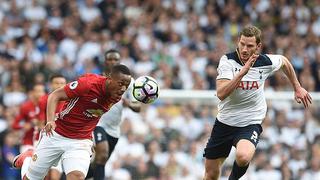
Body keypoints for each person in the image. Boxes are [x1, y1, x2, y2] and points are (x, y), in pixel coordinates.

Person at [203, 25, 312, 180]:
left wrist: (297, 86)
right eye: (242, 44)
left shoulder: (265, 61)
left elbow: (284, 62)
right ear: (238, 42)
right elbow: (221, 94)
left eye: (249, 46)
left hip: (250, 121)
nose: (245, 49)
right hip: (225, 122)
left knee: (243, 156)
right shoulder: (227, 61)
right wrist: (243, 72)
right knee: (210, 174)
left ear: (258, 46)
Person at [12, 64, 132, 180]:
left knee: (77, 177)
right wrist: (50, 121)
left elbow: (93, 115)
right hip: (56, 134)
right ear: (110, 79)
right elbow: (54, 96)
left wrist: (89, 134)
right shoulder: (88, 85)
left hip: (80, 141)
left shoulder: (116, 96)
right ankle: (27, 158)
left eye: (126, 86)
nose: (123, 89)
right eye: (121, 84)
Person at [87, 49, 141, 180]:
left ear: (119, 61)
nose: (112, 62)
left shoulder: (129, 82)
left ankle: (70, 176)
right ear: (105, 61)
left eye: (115, 59)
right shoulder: (98, 79)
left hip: (114, 129)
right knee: (103, 154)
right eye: (110, 59)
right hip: (97, 123)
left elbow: (138, 107)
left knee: (99, 163)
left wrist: (129, 104)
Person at [36, 74, 67, 180]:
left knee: (54, 176)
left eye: (62, 83)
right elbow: (40, 123)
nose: (59, 86)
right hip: (48, 140)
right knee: (44, 175)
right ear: (50, 85)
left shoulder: (70, 101)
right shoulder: (44, 100)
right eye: (56, 83)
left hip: (65, 141)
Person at [12, 83, 45, 153]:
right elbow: (14, 125)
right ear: (32, 93)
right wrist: (23, 126)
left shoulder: (48, 106)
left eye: (42, 91)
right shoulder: (26, 107)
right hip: (28, 143)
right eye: (38, 91)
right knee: (26, 161)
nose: (40, 94)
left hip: (43, 143)